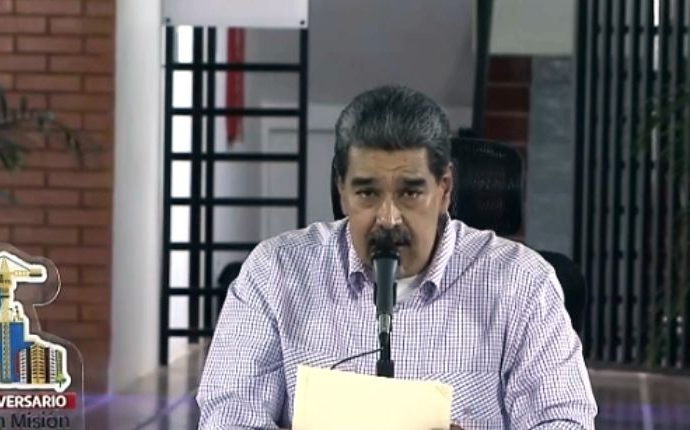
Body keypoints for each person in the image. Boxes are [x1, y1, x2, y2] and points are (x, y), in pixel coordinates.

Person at [196, 85, 598, 429]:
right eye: (367, 193)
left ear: (445, 189)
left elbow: (565, 421)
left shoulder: (523, 282)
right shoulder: (274, 272)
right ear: (341, 190)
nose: (387, 219)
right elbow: (226, 418)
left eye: (410, 192)